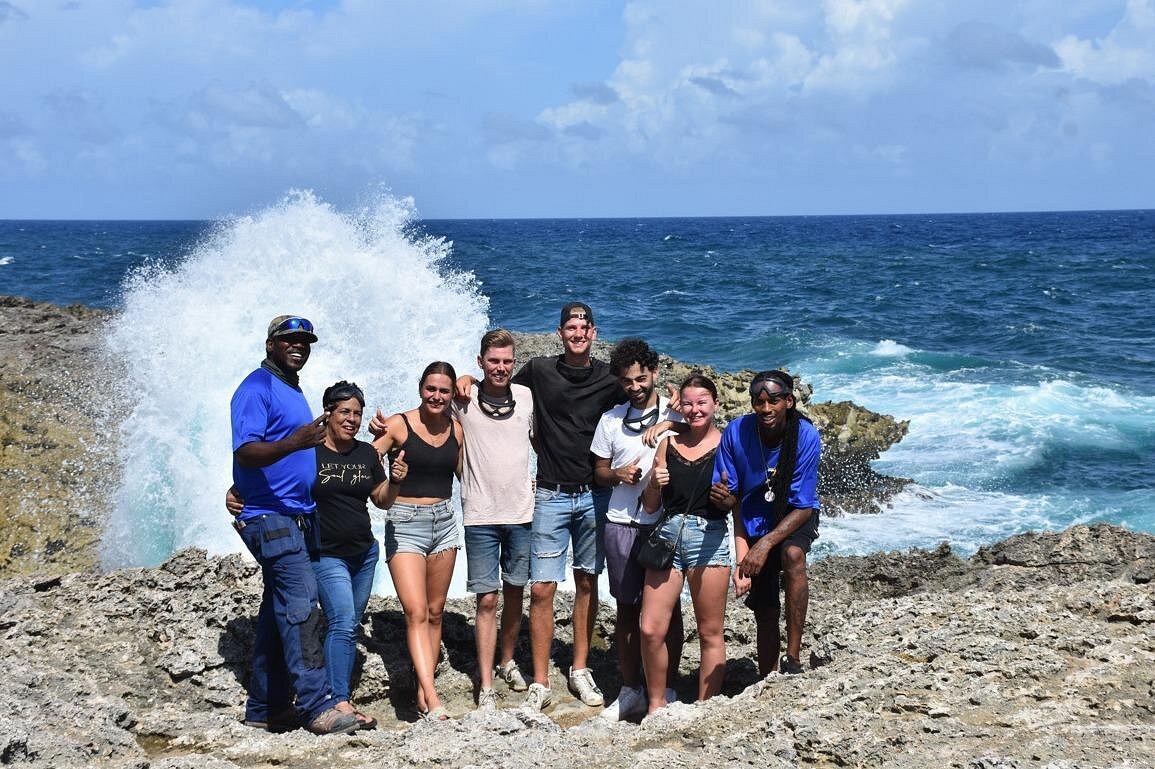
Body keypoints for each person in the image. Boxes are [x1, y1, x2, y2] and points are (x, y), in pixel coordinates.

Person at [228, 380, 389, 730]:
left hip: (353, 548)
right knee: (323, 615)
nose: (352, 419)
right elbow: (257, 458)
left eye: (357, 413)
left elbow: (380, 496)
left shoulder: (362, 452)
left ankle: (265, 707)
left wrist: (400, 478)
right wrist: (239, 492)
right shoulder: (302, 443)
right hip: (314, 546)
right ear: (327, 414)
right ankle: (326, 703)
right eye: (344, 411)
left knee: (286, 614)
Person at [590, 338, 684, 722]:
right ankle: (631, 690)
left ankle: (668, 687)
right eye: (628, 381)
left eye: (642, 378)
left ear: (655, 374)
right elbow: (598, 471)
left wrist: (668, 419)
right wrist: (616, 474)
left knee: (669, 612)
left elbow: (704, 427)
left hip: (664, 525)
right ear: (620, 381)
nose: (636, 386)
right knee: (627, 610)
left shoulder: (677, 412)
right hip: (621, 524)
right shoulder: (611, 420)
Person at [710, 370, 821, 676]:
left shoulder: (806, 436)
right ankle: (767, 675)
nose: (766, 409)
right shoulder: (736, 432)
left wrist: (766, 544)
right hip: (753, 519)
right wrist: (723, 498)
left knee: (793, 555)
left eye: (774, 401)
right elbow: (731, 497)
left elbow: (804, 506)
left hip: (794, 515)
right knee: (766, 606)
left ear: (789, 401)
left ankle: (793, 655)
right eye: (758, 402)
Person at [371, 362, 464, 721]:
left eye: (444, 390)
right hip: (405, 522)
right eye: (431, 389)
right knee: (416, 611)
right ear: (420, 388)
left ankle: (423, 691)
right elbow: (367, 458)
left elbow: (467, 474)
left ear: (452, 393)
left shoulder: (457, 429)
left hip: (444, 522)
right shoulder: (398, 424)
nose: (437, 396)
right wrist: (387, 481)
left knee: (436, 611)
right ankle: (432, 697)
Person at [639, 374, 731, 714]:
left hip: (710, 538)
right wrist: (652, 483)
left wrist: (727, 499)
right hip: (668, 536)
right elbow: (651, 506)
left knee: (710, 632)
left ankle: (706, 711)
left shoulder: (728, 445)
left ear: (715, 404)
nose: (695, 410)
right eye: (689, 403)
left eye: (702, 402)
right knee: (650, 628)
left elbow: (737, 500)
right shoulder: (668, 443)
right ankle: (656, 706)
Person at [454, 330, 535, 710]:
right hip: (480, 514)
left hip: (522, 511)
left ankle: (507, 661)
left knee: (516, 591)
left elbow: (541, 441)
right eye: (493, 361)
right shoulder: (462, 398)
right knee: (486, 599)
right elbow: (431, 424)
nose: (500, 368)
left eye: (506, 361)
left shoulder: (525, 397)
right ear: (480, 361)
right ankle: (485, 683)